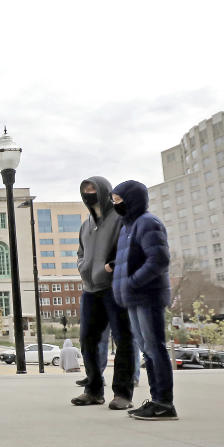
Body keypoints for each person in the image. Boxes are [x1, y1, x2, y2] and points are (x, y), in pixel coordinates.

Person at [111, 180, 178, 421]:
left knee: (154, 348)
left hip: (147, 297)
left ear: (132, 199)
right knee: (147, 351)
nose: (114, 204)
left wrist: (131, 282)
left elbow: (159, 260)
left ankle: (164, 403)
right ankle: (156, 400)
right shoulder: (127, 227)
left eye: (118, 200)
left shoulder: (148, 223)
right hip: (134, 299)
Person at [71, 177, 136, 411]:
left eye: (93, 189)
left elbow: (131, 247)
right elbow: (80, 252)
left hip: (114, 288)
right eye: (85, 190)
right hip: (90, 290)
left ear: (105, 192)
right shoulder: (85, 224)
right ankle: (94, 390)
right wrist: (82, 267)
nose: (89, 193)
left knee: (124, 340)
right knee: (87, 340)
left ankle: (123, 394)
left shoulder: (120, 218)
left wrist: (110, 266)